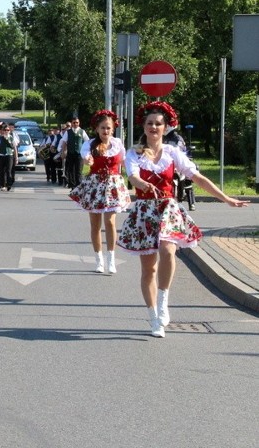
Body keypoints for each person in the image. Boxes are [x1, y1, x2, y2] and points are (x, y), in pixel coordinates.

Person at [117, 101, 249, 338]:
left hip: (168, 209)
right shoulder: (134, 152)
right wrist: (143, 184)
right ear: (144, 127)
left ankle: (163, 302)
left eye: (158, 124)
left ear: (165, 127)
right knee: (148, 268)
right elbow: (133, 177)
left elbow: (197, 178)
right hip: (145, 212)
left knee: (168, 251)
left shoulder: (172, 152)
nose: (154, 127)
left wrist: (226, 198)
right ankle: (153, 317)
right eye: (150, 124)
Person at [69, 110, 132, 274]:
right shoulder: (89, 144)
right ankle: (99, 260)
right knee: (95, 224)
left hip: (113, 187)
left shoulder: (118, 144)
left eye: (108, 128)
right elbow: (86, 157)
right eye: (103, 128)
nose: (106, 131)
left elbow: (125, 162)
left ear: (113, 129)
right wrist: (88, 159)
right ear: (97, 129)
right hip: (95, 187)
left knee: (110, 222)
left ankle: (111, 259)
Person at [164, 126, 196, 211]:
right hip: (167, 162)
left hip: (179, 161)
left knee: (188, 179)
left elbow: (180, 149)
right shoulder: (162, 137)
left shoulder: (178, 138)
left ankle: (191, 203)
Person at [58, 117, 89, 189]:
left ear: (79, 123)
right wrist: (63, 151)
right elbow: (64, 141)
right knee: (71, 170)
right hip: (70, 153)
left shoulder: (82, 131)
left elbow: (87, 141)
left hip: (79, 154)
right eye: (74, 123)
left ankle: (78, 186)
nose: (75, 124)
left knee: (78, 171)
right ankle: (72, 186)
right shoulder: (68, 132)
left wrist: (86, 152)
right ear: (71, 123)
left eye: (77, 122)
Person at [0, 123, 18, 191]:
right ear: (3, 130)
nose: (6, 131)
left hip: (9, 156)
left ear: (9, 131)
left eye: (8, 130)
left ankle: (9, 184)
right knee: (1, 171)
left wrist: (16, 158)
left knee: (9, 171)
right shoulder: (0, 138)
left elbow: (15, 148)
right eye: (5, 130)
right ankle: (2, 185)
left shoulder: (11, 138)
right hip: (1, 156)